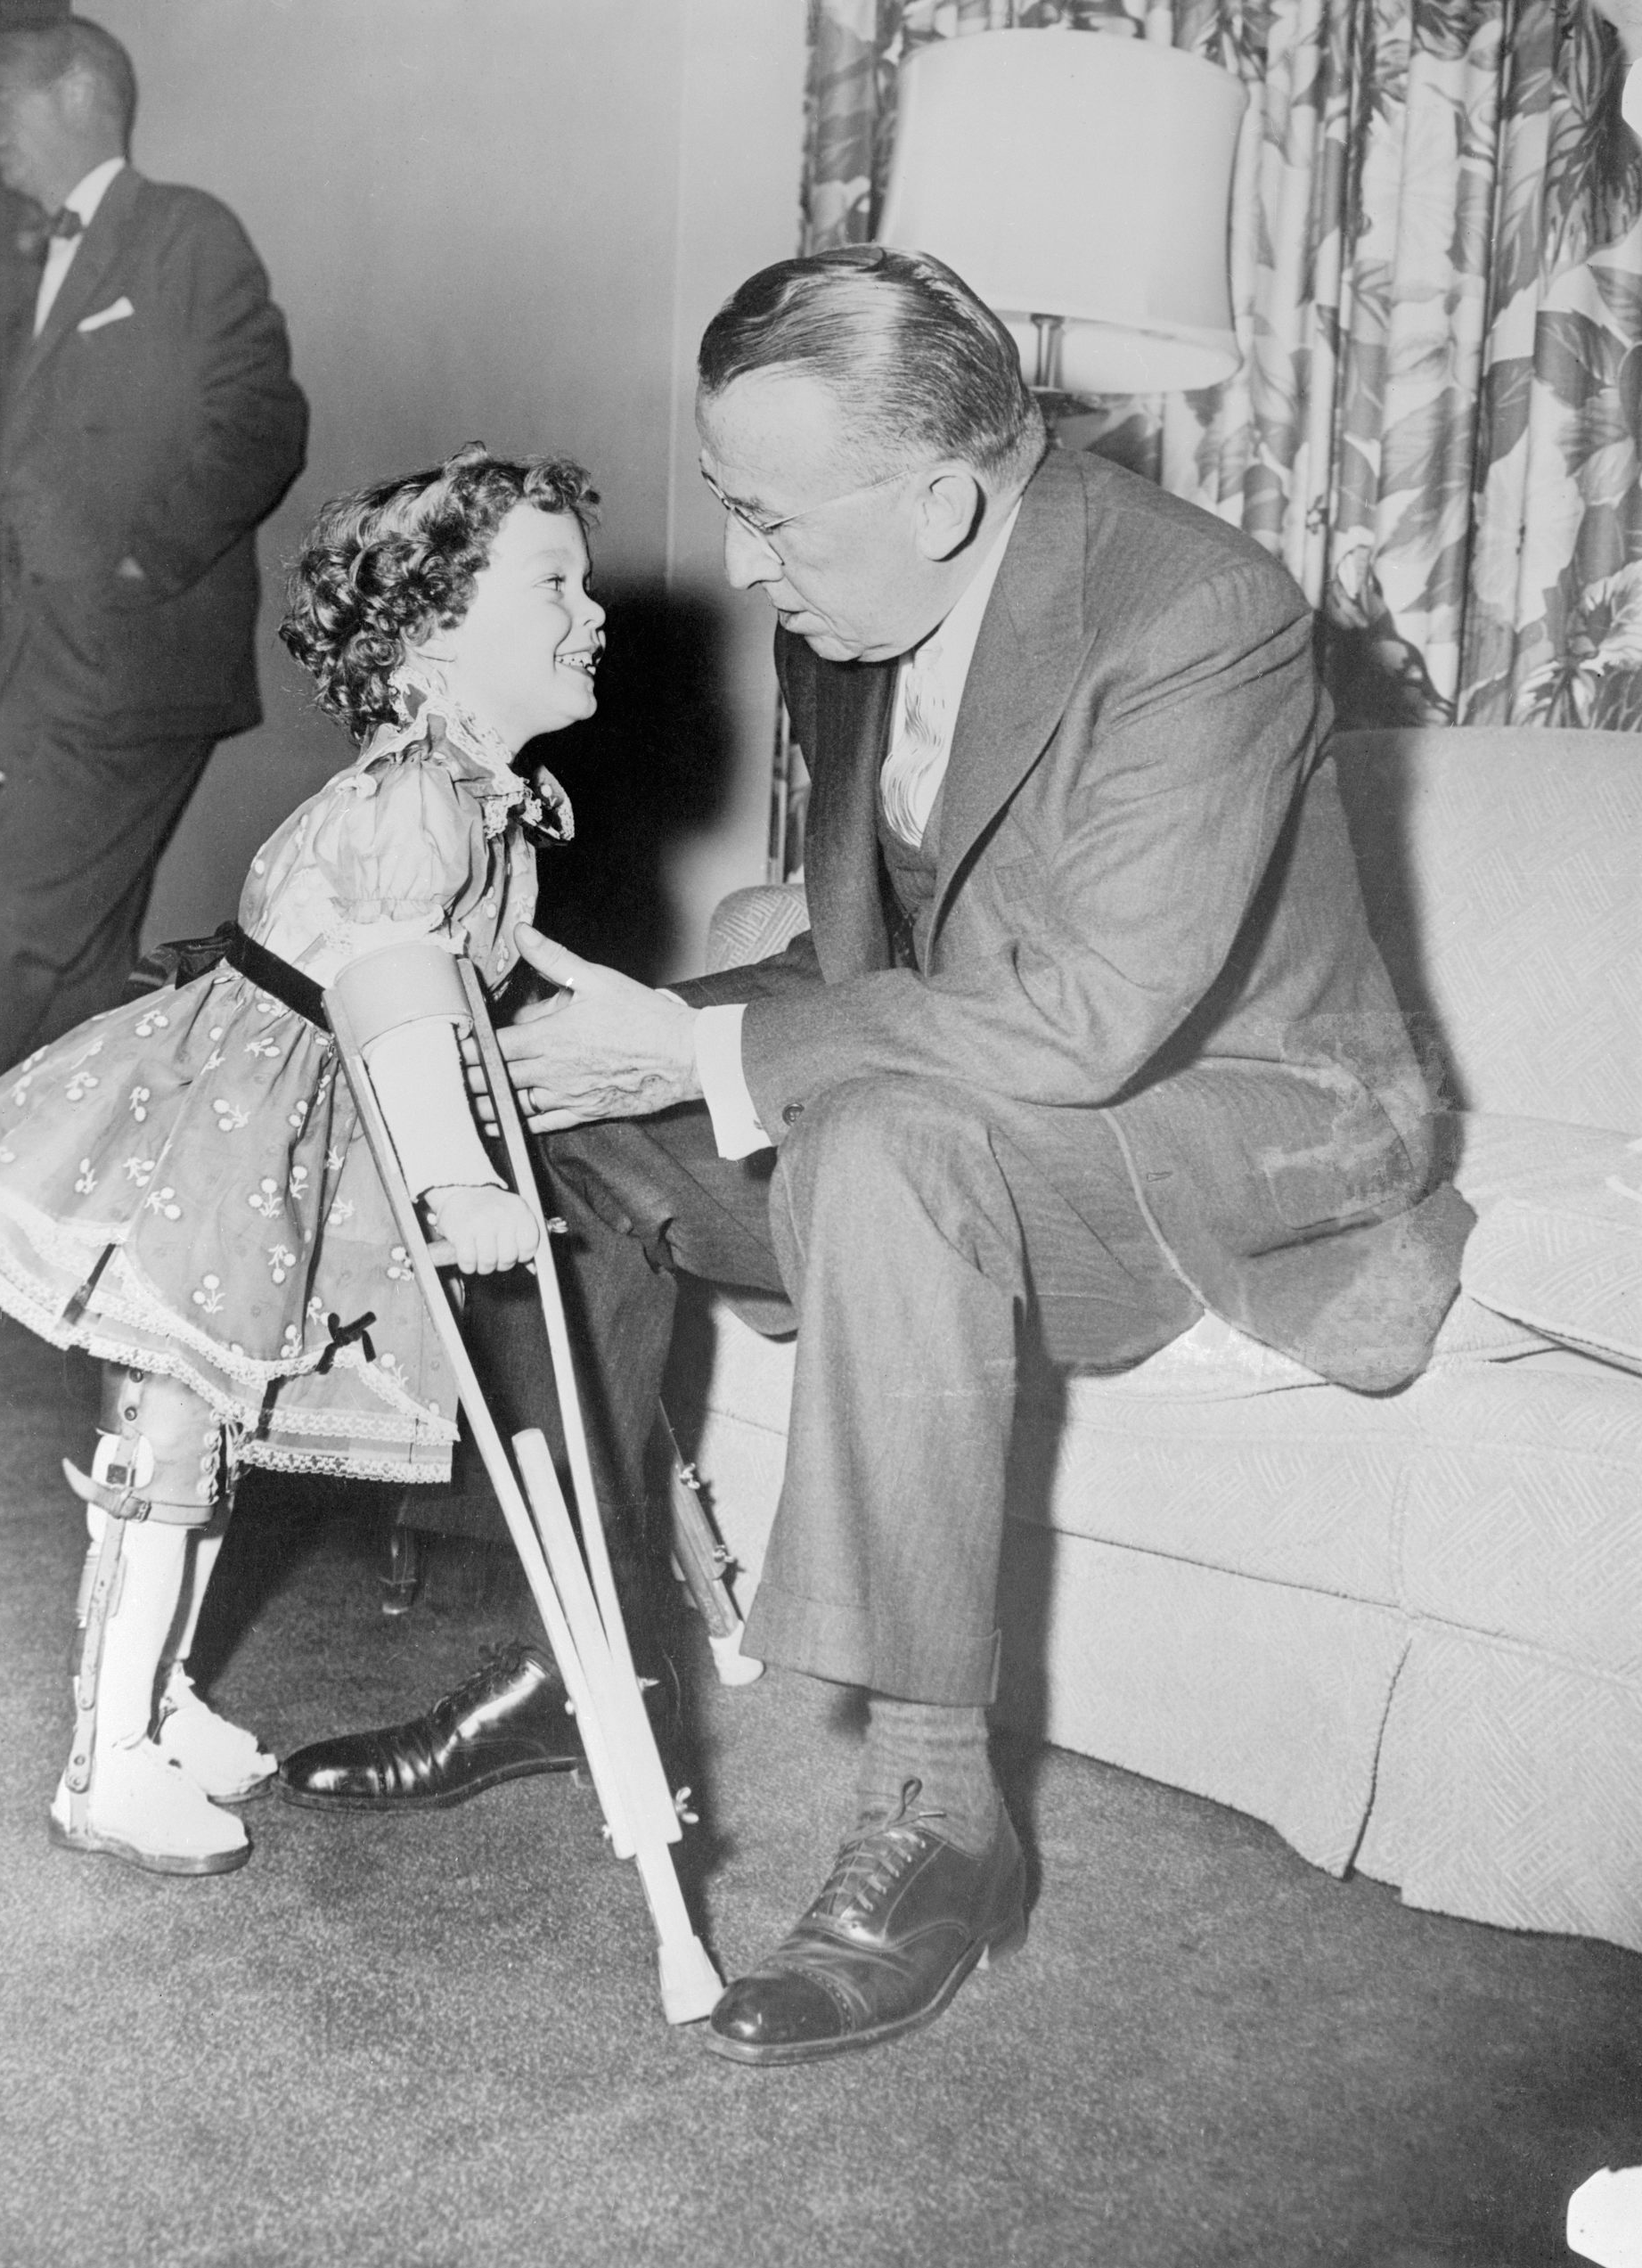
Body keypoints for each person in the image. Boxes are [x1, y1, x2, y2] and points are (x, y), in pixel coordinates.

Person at [279, 247, 1472, 2066]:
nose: (741, 561)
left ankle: (943, 1820)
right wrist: (630, 1056)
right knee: (554, 1146)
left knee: (880, 1147)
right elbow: (873, 971)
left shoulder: (1199, 613)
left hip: (1224, 1145)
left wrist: (707, 1049)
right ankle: (585, 1652)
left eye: (768, 514)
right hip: (986, 1093)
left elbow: (1073, 1015)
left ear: (938, 494)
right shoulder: (866, 603)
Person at [0, 446, 607, 1878]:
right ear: (431, 635)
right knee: (170, 1436)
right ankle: (106, 1762)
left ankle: (159, 1695)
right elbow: (402, 1009)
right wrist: (455, 1181)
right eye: (553, 582)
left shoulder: (474, 802)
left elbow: (467, 1001)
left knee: (209, 1431)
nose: (591, 609)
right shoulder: (419, 801)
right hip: (226, 1130)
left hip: (285, 1134)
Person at [0, 17, 307, 1092]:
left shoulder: (183, 233)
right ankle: (41, 1221)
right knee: (74, 967)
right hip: (50, 673)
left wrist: (139, 569)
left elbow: (262, 420)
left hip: (128, 669)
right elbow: (27, 511)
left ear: (76, 94)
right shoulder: (38, 260)